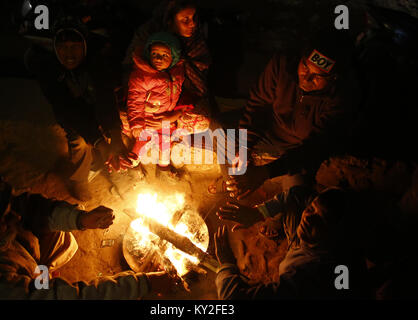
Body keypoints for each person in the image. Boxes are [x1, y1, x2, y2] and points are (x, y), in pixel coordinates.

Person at [0, 168, 177, 299]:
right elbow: (74, 297)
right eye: (4, 220)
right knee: (46, 289)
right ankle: (40, 281)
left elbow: (30, 207)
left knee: (60, 236)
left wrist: (80, 219)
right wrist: (143, 283)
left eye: (9, 208)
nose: (15, 217)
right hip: (17, 277)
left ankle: (41, 275)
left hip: (22, 255)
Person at [223, 29, 361, 199]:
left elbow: (314, 148)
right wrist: (245, 146)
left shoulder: (340, 98)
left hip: (297, 154)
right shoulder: (282, 65)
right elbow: (258, 105)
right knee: (220, 132)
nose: (306, 78)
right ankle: (235, 181)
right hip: (267, 135)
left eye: (318, 76)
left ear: (334, 78)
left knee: (296, 198)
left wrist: (266, 172)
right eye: (305, 67)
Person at [26, 17, 136, 201]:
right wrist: (100, 143)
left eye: (75, 46)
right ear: (55, 48)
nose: (69, 53)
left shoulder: (96, 62)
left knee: (121, 129)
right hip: (72, 113)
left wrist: (115, 136)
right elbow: (68, 110)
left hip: (94, 102)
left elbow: (105, 97)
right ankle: (79, 179)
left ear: (84, 46)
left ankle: (119, 168)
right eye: (63, 47)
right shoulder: (49, 71)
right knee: (79, 141)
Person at [214, 186, 369, 299]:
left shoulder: (311, 274)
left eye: (321, 219)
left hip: (305, 273)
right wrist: (259, 213)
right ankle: (278, 224)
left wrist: (226, 265)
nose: (308, 217)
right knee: (294, 187)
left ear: (337, 235)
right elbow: (298, 194)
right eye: (311, 208)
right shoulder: (320, 233)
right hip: (308, 244)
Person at [122, 0, 212, 132]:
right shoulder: (148, 37)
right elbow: (133, 78)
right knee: (127, 119)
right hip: (148, 102)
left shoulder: (195, 44)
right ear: (169, 21)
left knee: (201, 121)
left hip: (178, 104)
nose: (192, 24)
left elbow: (195, 87)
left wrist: (176, 114)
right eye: (185, 20)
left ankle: (171, 131)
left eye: (194, 18)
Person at [123, 32, 187, 167]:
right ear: (148, 54)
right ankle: (133, 159)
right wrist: (137, 123)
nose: (158, 58)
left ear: (173, 56)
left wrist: (175, 114)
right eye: (154, 54)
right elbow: (135, 101)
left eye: (165, 55)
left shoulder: (177, 72)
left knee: (166, 140)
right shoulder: (143, 76)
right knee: (142, 137)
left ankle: (163, 165)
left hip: (166, 117)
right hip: (147, 118)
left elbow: (182, 92)